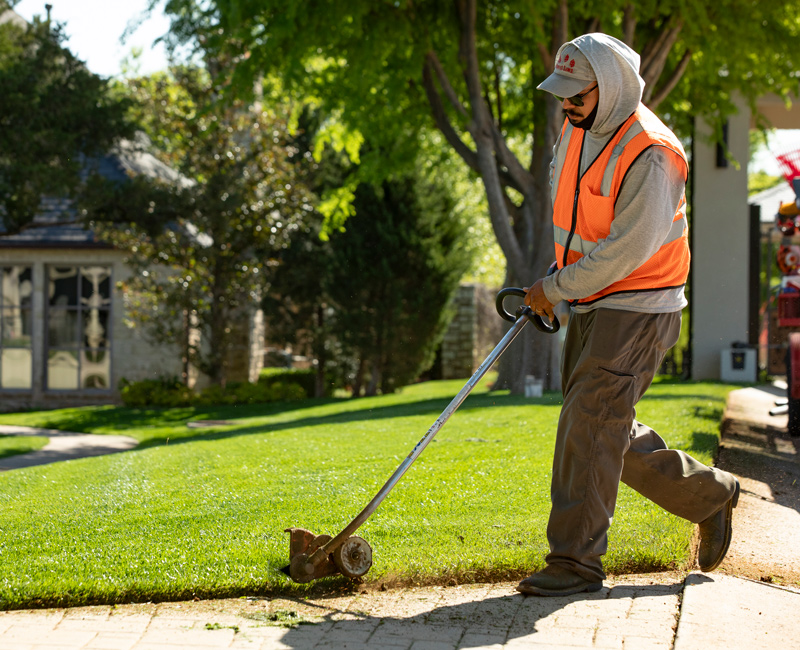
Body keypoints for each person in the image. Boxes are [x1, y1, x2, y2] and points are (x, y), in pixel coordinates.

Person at [519, 33, 740, 597]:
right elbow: (581, 218)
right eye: (562, 94)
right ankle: (709, 495)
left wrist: (558, 286)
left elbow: (628, 248)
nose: (565, 105)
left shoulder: (651, 151)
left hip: (638, 305)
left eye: (577, 94)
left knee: (590, 425)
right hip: (593, 298)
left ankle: (574, 564)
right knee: (597, 428)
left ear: (611, 89)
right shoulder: (578, 130)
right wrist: (563, 276)